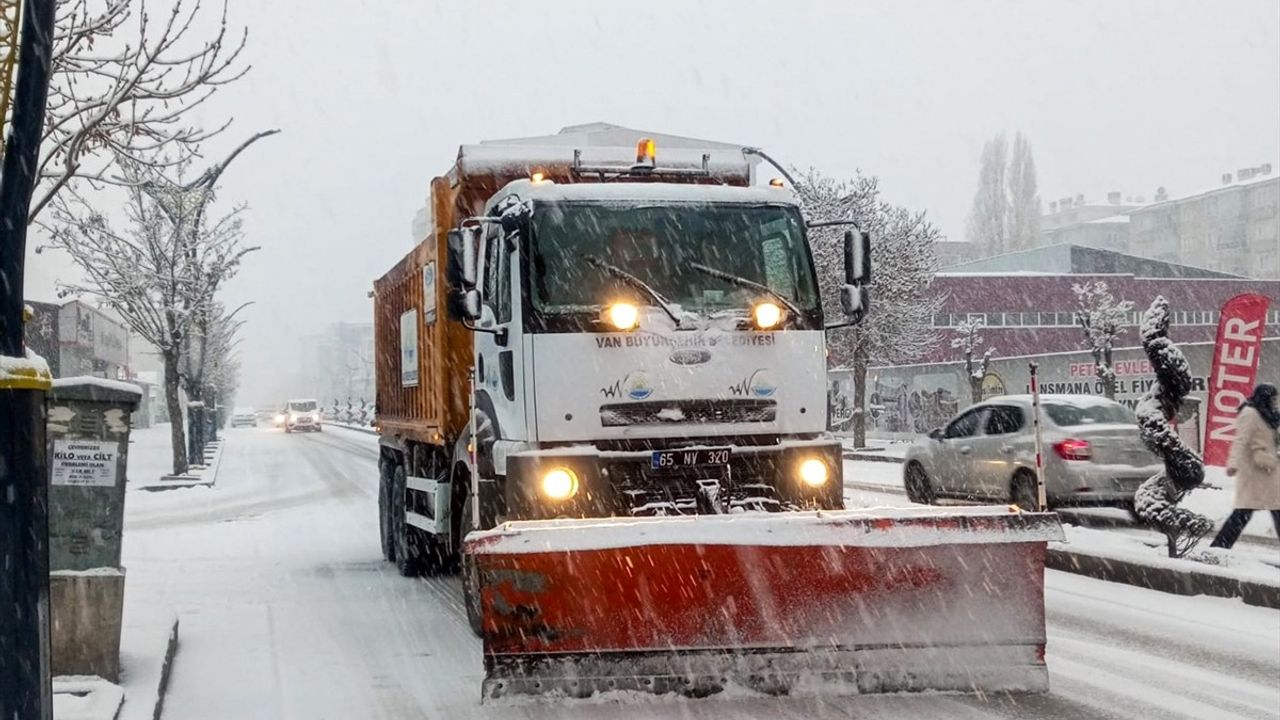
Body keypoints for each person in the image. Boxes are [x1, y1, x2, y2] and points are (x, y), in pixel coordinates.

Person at [1209, 383, 1280, 549]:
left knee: (1273, 510)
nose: (1275, 402)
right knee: (1244, 513)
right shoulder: (1250, 413)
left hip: (1268, 471)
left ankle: (1219, 546)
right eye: (1273, 398)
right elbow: (1240, 440)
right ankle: (1218, 547)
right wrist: (1232, 463)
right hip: (1253, 473)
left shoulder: (1268, 415)